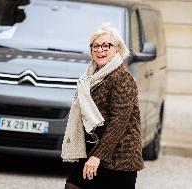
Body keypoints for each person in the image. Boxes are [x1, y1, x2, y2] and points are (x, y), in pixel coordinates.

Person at [61, 23, 144, 189]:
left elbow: (118, 123)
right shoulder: (90, 78)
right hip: (93, 149)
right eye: (96, 46)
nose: (100, 50)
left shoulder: (122, 79)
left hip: (119, 158)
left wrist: (97, 157)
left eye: (106, 45)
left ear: (117, 49)